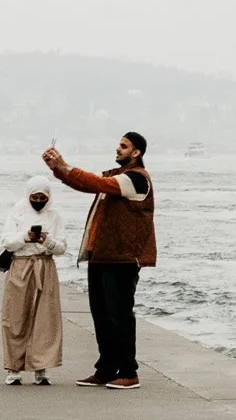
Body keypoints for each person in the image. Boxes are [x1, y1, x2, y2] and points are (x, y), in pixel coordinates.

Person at [40, 130, 155, 389]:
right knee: (102, 317)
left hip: (123, 259)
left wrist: (63, 165)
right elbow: (85, 184)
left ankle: (129, 372)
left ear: (136, 152)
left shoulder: (137, 178)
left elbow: (93, 182)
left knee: (119, 316)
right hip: (101, 256)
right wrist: (57, 169)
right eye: (119, 145)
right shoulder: (117, 176)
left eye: (123, 146)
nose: (118, 149)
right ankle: (106, 369)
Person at [0, 173, 66, 384]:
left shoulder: (54, 215)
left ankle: (41, 368)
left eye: (42, 198)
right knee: (15, 317)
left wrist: (47, 241)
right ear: (28, 196)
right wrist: (25, 237)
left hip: (45, 266)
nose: (38, 201)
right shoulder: (17, 212)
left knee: (45, 319)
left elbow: (62, 247)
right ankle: (13, 368)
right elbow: (7, 242)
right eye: (34, 197)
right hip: (20, 265)